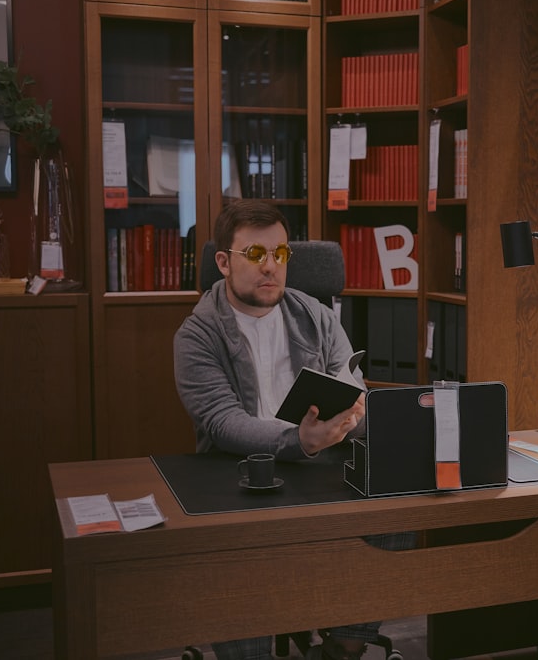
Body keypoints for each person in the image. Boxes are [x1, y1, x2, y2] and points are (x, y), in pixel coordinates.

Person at [174, 200, 413, 660]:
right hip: (238, 478)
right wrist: (297, 441)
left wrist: (356, 416)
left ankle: (344, 647)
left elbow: (352, 390)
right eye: (255, 255)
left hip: (323, 470)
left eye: (280, 255)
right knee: (245, 572)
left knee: (397, 513)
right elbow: (224, 424)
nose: (271, 267)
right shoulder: (197, 334)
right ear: (223, 262)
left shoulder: (318, 317)